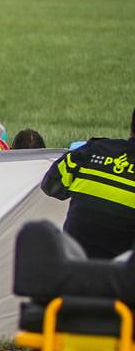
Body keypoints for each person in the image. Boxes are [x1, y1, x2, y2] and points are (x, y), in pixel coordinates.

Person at [39, 108, 135, 258]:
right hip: (118, 275)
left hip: (72, 267)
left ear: (131, 125)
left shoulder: (93, 150)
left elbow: (50, 185)